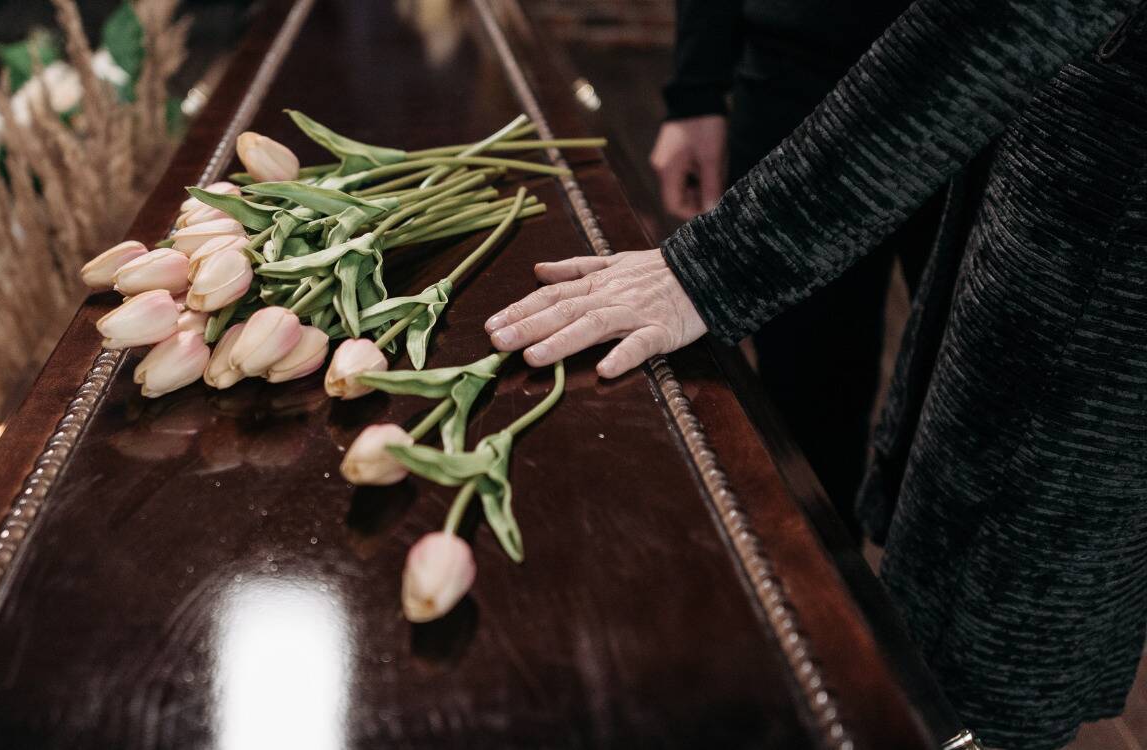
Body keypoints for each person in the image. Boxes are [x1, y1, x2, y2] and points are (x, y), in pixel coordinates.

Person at [485, 0, 1147, 747]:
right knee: (828, 436)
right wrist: (698, 89)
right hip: (933, 99)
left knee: (994, 628)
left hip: (1088, 211)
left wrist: (714, 266)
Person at [651, 0, 942, 533]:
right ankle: (822, 594)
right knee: (806, 405)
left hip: (1003, 99)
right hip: (799, 78)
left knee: (966, 417)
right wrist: (696, 87)